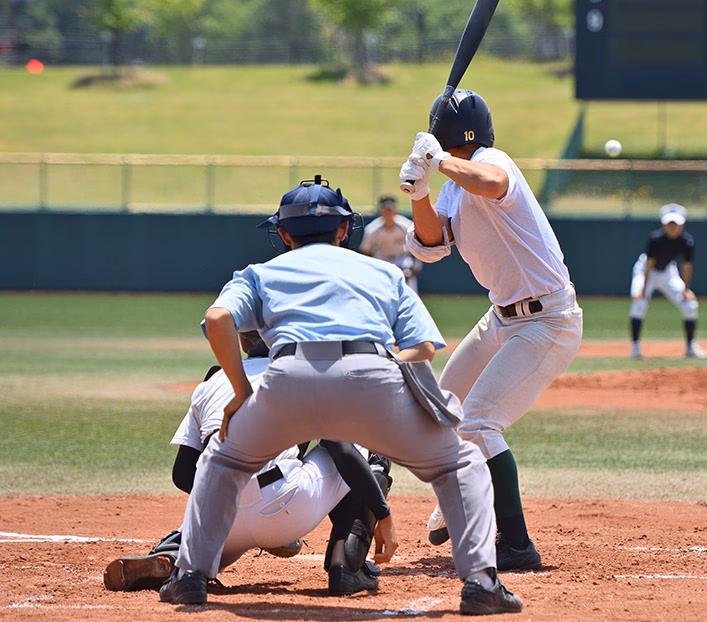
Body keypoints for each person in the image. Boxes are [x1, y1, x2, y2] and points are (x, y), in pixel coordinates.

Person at [157, 175, 521, 615]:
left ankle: (190, 577)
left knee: (221, 461)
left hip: (287, 379)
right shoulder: (383, 272)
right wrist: (380, 370)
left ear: (283, 234)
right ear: (345, 229)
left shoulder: (260, 273)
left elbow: (218, 320)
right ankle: (481, 582)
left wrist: (240, 390)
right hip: (369, 375)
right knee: (459, 465)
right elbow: (424, 347)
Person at [399, 89, 584, 571]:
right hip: (502, 317)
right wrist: (419, 193)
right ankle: (457, 504)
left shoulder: (490, 162)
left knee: (479, 422)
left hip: (548, 320)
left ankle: (517, 544)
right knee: (443, 409)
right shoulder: (452, 184)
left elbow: (491, 182)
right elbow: (431, 244)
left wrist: (438, 161)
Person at [103, 330, 393, 596]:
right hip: (285, 507)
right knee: (365, 438)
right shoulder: (303, 375)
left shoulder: (213, 380)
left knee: (213, 516)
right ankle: (347, 565)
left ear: (242, 339)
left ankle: (181, 561)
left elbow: (182, 475)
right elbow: (343, 451)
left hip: (220, 516)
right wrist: (383, 514)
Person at [628, 203, 707, 361]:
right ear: (662, 224)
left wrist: (686, 290)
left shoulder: (687, 241)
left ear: (682, 225)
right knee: (639, 303)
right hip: (646, 271)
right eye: (669, 224)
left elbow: (687, 267)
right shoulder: (655, 239)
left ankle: (690, 347)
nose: (672, 227)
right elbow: (649, 264)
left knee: (690, 304)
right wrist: (643, 290)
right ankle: (635, 348)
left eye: (675, 224)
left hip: (668, 271)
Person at [360, 196, 422, 293]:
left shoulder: (406, 226)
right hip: (382, 259)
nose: (388, 213)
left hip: (401, 259)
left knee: (410, 289)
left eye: (390, 210)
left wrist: (416, 265)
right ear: (381, 212)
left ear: (396, 211)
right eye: (386, 210)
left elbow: (416, 245)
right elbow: (366, 251)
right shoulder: (372, 229)